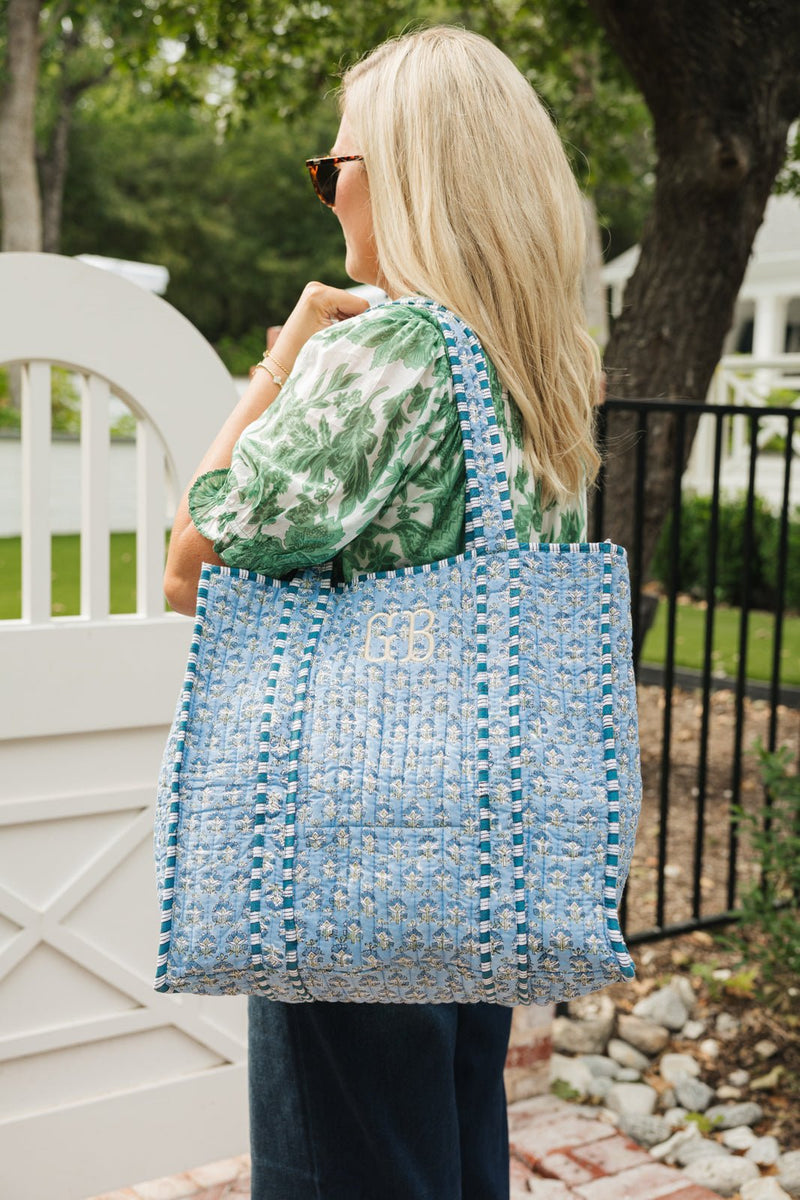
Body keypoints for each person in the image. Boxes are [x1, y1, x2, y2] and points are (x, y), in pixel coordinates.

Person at [163, 24, 601, 1200]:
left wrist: (282, 362)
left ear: (404, 176)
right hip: (479, 838)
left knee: (344, 1165)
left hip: (352, 847)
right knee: (447, 1147)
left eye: (334, 166)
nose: (328, 195)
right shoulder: (534, 369)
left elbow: (190, 564)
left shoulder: (390, 352)